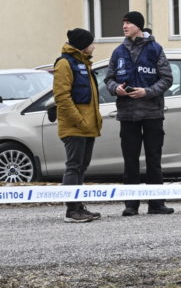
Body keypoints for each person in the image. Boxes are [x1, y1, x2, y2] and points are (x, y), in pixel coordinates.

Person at [104, 11, 174, 216]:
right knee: (130, 160)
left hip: (152, 113)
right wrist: (116, 88)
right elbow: (108, 79)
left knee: (154, 158)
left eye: (129, 23)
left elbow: (167, 78)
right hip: (128, 114)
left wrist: (147, 92)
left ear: (139, 26)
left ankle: (156, 203)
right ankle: (131, 205)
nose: (124, 26)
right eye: (123, 23)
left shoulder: (155, 49)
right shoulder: (118, 52)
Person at [53, 29, 103, 223]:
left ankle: (78, 205)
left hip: (87, 127)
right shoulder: (65, 64)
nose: (94, 47)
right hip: (75, 127)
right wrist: (79, 121)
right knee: (74, 167)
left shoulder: (83, 63)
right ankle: (72, 210)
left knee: (81, 167)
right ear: (83, 45)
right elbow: (62, 97)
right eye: (91, 43)